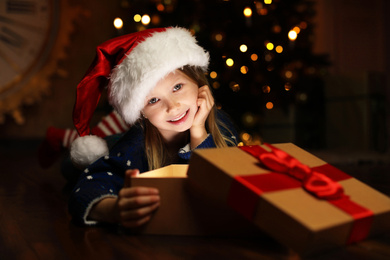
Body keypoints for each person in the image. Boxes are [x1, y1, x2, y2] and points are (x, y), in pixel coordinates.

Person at [68, 27, 239, 227]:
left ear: (199, 82)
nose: (173, 106)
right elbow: (85, 189)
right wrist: (113, 209)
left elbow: (213, 186)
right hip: (118, 143)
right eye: (154, 100)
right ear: (141, 113)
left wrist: (199, 131)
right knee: (72, 167)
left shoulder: (221, 125)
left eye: (177, 87)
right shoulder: (134, 147)